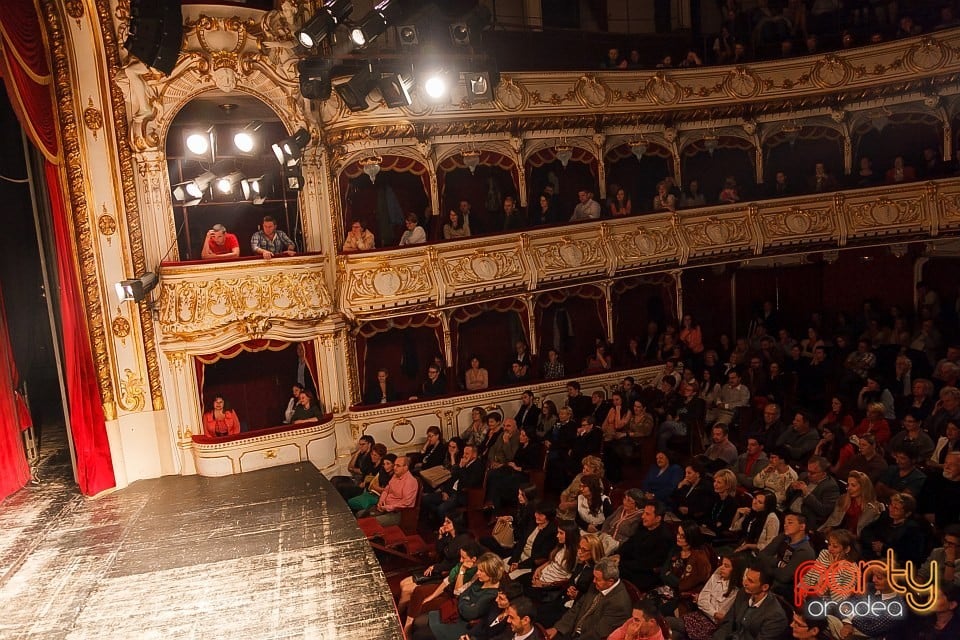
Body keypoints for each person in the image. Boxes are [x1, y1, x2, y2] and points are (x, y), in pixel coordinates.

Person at [545, 557, 632, 640]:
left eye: (597, 579)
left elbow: (598, 633)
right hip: (573, 630)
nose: (593, 581)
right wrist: (558, 628)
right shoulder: (598, 584)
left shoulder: (620, 605)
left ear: (610, 582)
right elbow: (578, 607)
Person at [671, 554, 740, 640]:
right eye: (722, 564)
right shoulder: (716, 576)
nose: (721, 568)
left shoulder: (735, 592)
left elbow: (720, 616)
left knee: (669, 622)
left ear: (735, 571)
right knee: (674, 634)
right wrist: (714, 613)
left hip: (710, 625)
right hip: (699, 615)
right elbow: (702, 600)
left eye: (726, 566)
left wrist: (710, 610)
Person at [713, 563, 788, 640]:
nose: (745, 583)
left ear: (765, 587)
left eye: (750, 581)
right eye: (746, 577)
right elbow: (728, 623)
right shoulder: (743, 593)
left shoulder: (775, 616)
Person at [757, 512, 816, 598]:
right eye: (785, 523)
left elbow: (784, 577)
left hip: (787, 589)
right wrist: (778, 563)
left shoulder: (805, 550)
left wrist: (766, 567)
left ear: (802, 527)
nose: (785, 525)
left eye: (790, 522)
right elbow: (762, 555)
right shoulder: (783, 537)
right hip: (774, 577)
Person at [357, 455, 418, 525]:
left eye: (398, 466)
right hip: (385, 507)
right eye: (394, 465)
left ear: (406, 467)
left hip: (396, 513)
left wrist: (387, 507)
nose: (394, 468)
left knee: (367, 523)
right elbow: (386, 490)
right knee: (360, 514)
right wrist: (381, 501)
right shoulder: (395, 476)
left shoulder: (410, 481)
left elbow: (406, 503)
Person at [818, 470, 881, 536]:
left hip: (856, 540)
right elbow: (833, 520)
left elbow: (867, 533)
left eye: (853, 485)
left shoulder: (872, 508)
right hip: (838, 536)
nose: (849, 488)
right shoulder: (843, 499)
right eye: (848, 485)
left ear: (863, 487)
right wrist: (827, 529)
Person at [730, 489, 781, 554]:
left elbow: (770, 545)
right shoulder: (751, 511)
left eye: (760, 502)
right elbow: (733, 528)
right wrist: (737, 512)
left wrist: (749, 546)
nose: (754, 502)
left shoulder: (772, 519)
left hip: (755, 553)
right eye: (755, 498)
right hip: (740, 544)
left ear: (767, 506)